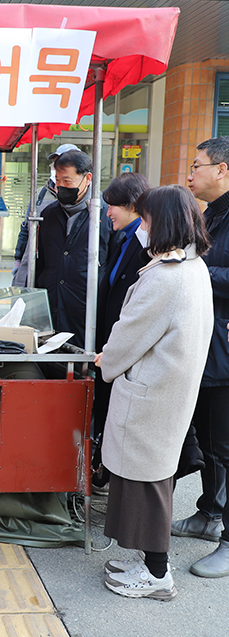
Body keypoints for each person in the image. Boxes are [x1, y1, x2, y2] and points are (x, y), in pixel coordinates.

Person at [96, 185, 212, 600]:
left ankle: (158, 575)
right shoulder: (193, 266)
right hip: (170, 387)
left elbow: (131, 334)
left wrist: (107, 362)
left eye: (145, 220)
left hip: (152, 389)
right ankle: (146, 562)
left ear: (160, 222)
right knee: (150, 477)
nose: (141, 227)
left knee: (146, 484)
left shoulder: (166, 276)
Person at [171, 136, 229, 576]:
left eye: (198, 165)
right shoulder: (213, 214)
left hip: (225, 349)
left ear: (222, 169)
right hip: (207, 347)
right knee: (210, 442)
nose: (191, 174)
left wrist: (195, 269)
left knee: (225, 445)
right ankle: (208, 514)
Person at [92, 172, 152, 488]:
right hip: (111, 340)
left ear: (131, 205)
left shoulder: (145, 244)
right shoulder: (123, 236)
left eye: (112, 206)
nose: (107, 213)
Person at [34, 150, 113, 349]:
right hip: (51, 314)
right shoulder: (49, 214)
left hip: (88, 317)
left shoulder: (107, 215)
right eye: (57, 180)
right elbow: (42, 263)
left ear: (87, 178)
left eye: (67, 181)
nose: (60, 187)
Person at [11, 143, 80, 287]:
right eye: (56, 164)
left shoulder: (92, 202)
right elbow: (26, 228)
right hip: (37, 262)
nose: (57, 168)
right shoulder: (39, 194)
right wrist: (18, 260)